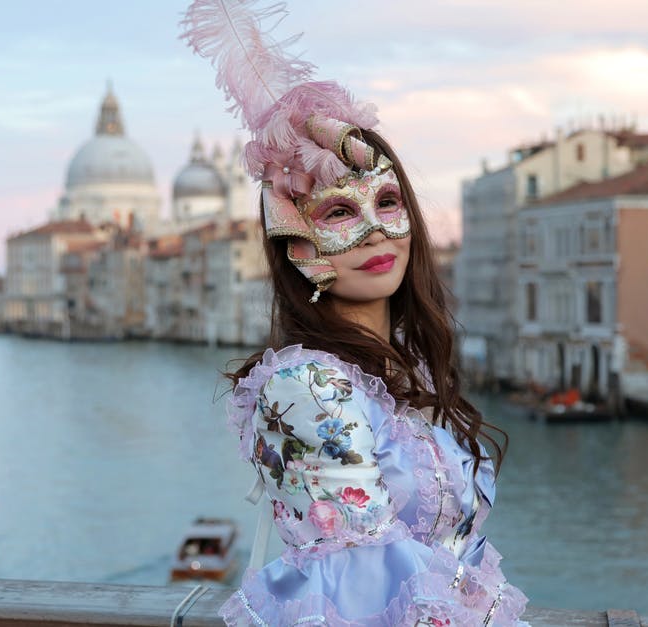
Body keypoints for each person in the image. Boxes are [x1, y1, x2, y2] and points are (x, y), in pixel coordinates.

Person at [182, 1, 529, 624]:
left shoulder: (410, 370)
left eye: (388, 201)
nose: (375, 232)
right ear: (299, 248)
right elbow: (364, 583)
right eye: (340, 212)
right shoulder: (305, 385)